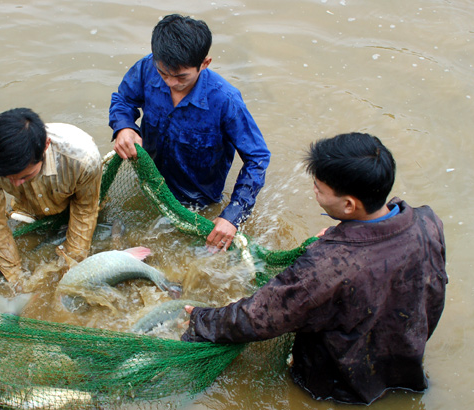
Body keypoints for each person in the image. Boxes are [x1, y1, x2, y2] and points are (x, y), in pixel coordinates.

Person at [182, 133, 448, 404]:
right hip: (405, 367)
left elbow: (259, 317)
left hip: (340, 387)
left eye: (320, 188)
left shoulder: (326, 266)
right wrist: (344, 234)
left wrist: (202, 319)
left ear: (348, 205)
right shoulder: (428, 223)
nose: (314, 191)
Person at [109, 14, 270, 251]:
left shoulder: (225, 100)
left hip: (198, 201)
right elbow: (123, 99)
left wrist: (232, 216)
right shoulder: (147, 68)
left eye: (181, 77)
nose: (170, 83)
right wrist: (124, 127)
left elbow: (257, 158)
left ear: (205, 63)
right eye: (163, 74)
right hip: (149, 181)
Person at [0, 108, 102, 283]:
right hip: (27, 207)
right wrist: (15, 277)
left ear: (46, 146)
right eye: (8, 178)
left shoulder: (83, 160)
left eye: (25, 176)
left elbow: (85, 210)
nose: (16, 184)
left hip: (72, 202)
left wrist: (71, 264)